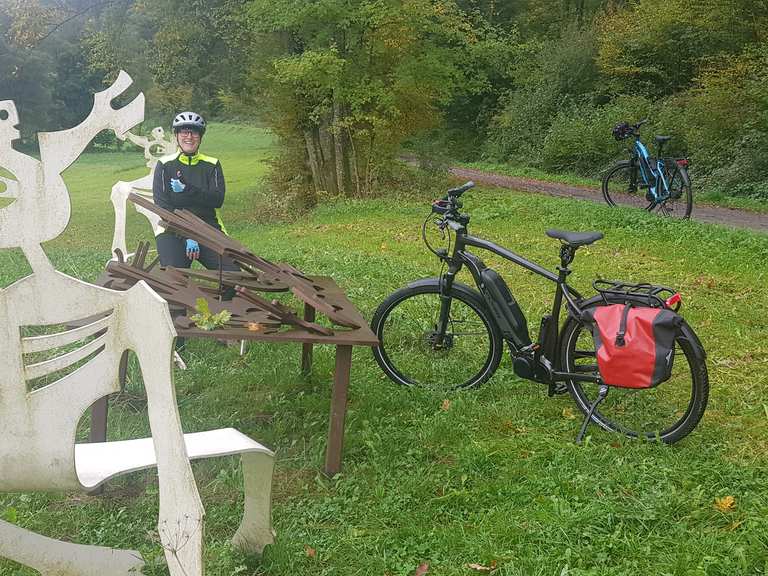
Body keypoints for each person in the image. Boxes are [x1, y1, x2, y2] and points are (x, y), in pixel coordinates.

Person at [152, 111, 239, 275]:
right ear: (177, 135)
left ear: (200, 136)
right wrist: (188, 235)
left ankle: (221, 301)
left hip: (208, 227)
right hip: (172, 229)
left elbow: (216, 200)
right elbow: (163, 206)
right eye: (184, 131)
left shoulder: (212, 164)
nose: (189, 137)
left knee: (234, 275)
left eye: (194, 132)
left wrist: (187, 189)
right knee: (174, 277)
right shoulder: (165, 165)